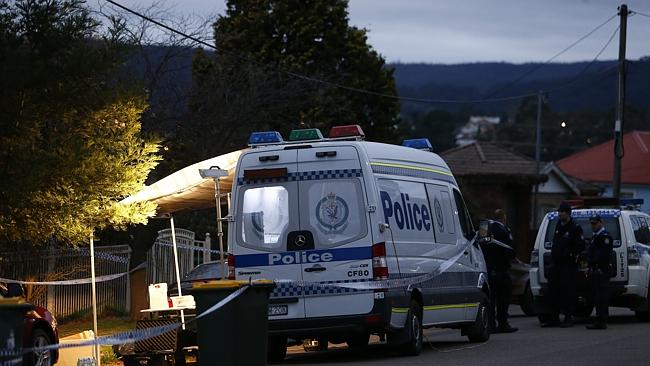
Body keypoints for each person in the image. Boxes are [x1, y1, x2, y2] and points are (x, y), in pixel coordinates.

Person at [544, 202, 585, 327]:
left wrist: (569, 254)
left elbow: (580, 246)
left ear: (567, 213)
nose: (559, 214)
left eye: (562, 212)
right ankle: (554, 318)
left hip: (568, 265)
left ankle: (568, 317)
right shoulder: (558, 225)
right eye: (559, 211)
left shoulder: (575, 227)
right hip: (556, 264)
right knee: (553, 292)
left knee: (568, 292)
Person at [481, 209, 518, 333]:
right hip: (501, 269)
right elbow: (509, 250)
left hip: (488, 268)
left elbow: (480, 244)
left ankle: (491, 325)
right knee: (503, 298)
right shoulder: (504, 230)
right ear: (503, 218)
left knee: (491, 298)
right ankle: (503, 323)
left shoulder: (485, 227)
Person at [585, 215, 613, 329]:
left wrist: (596, 265)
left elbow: (604, 256)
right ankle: (599, 319)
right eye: (592, 223)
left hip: (602, 270)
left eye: (595, 223)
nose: (593, 225)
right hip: (596, 270)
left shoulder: (605, 237)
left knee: (602, 296)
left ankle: (602, 320)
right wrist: (590, 266)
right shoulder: (596, 236)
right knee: (597, 296)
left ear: (601, 223)